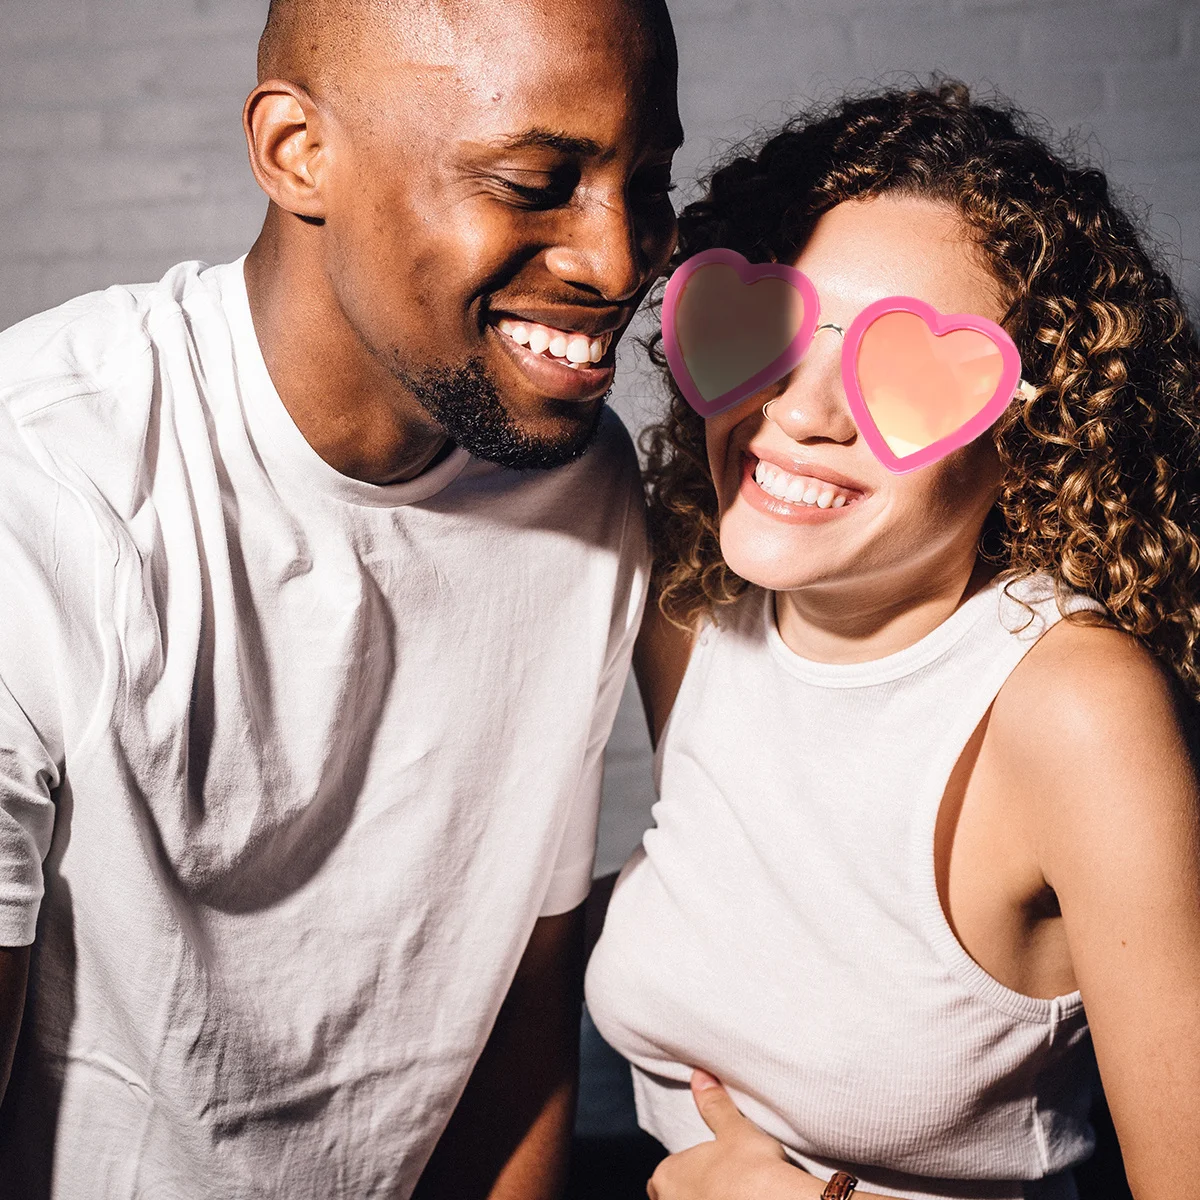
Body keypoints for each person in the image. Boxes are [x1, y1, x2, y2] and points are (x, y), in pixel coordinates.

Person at [0, 0, 683, 1196]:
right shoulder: (45, 480)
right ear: (296, 152)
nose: (620, 262)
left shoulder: (582, 481)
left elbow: (518, 1007)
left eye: (648, 183)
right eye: (534, 183)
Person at [585, 82, 1200, 1200]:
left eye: (906, 375)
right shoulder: (696, 599)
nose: (797, 414)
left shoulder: (1075, 711)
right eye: (769, 334)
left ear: (1037, 436)